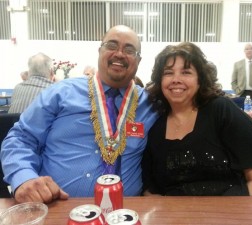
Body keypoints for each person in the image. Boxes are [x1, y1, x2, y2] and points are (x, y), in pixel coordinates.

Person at [1, 25, 158, 203]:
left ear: (139, 60)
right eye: (112, 45)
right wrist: (24, 178)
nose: (119, 54)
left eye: (129, 50)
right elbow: (20, 138)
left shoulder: (149, 103)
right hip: (58, 209)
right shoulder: (61, 93)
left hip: (125, 213)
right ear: (100, 51)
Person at [142, 42, 252, 196]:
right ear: (160, 81)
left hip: (230, 214)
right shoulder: (156, 126)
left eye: (186, 72)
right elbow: (151, 190)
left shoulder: (221, 111)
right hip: (176, 217)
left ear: (200, 80)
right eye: (168, 73)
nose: (176, 79)